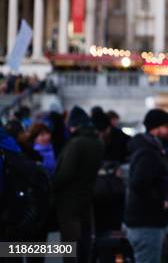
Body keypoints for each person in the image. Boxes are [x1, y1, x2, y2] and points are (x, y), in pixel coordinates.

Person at [53, 106, 104, 263]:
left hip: (69, 198)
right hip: (87, 194)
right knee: (84, 237)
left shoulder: (76, 143)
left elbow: (66, 173)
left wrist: (52, 185)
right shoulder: (97, 142)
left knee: (70, 240)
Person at [124, 109, 168, 263]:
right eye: (167, 126)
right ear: (155, 128)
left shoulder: (151, 148)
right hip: (146, 223)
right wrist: (161, 202)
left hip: (145, 221)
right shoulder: (148, 152)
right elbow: (138, 184)